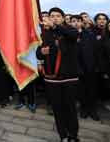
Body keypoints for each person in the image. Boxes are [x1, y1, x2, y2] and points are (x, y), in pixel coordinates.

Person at [38, 8, 80, 142]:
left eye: (57, 16)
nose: (55, 18)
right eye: (52, 16)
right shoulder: (45, 33)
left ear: (62, 18)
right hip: (52, 78)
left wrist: (56, 26)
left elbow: (73, 36)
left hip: (69, 77)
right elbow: (38, 52)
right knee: (57, 109)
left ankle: (73, 135)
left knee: (70, 108)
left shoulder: (69, 30)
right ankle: (63, 135)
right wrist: (41, 53)